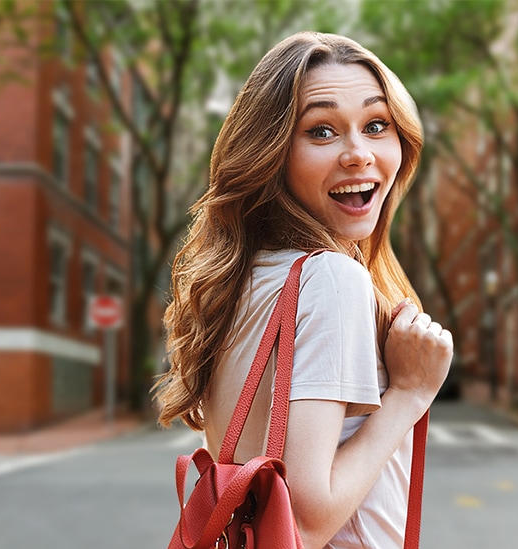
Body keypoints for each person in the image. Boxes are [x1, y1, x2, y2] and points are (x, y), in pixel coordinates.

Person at [154, 31, 452, 549]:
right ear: (271, 153)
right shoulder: (330, 279)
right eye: (322, 131)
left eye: (376, 125)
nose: (359, 154)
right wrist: (410, 392)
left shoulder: (242, 281)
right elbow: (307, 521)